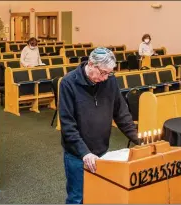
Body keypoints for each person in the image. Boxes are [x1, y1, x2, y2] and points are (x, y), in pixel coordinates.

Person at [59, 47, 140, 204]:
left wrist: (139, 139)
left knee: (98, 194)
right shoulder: (68, 83)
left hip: (102, 151)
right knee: (77, 198)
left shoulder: (110, 81)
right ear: (91, 64)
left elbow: (121, 114)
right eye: (102, 72)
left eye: (108, 73)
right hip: (77, 154)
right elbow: (68, 126)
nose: (105, 78)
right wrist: (85, 153)